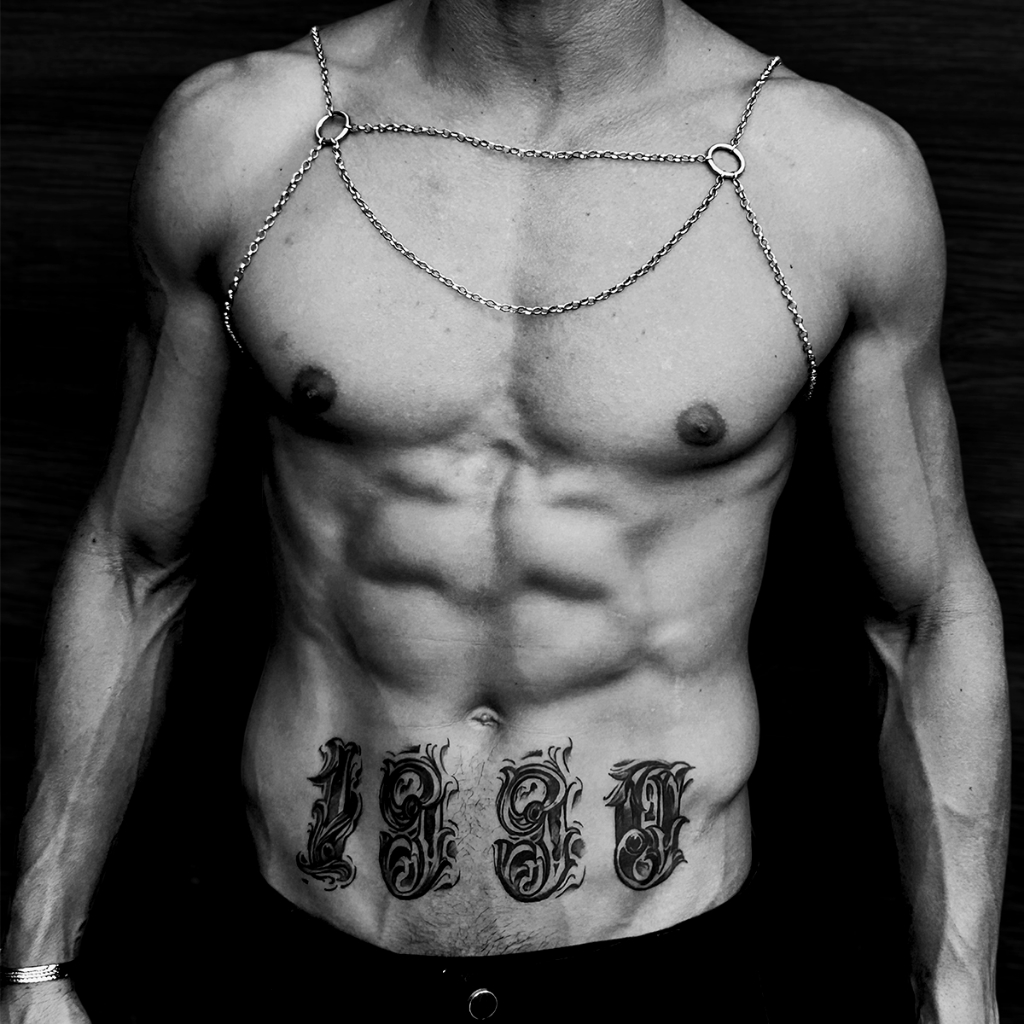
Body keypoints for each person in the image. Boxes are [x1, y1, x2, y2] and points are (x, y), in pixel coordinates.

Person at [1, 1, 1009, 1021]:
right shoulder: (246, 136)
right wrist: (36, 966)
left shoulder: (833, 175)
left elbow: (923, 610)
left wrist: (958, 993)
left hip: (666, 969)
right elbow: (135, 559)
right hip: (303, 953)